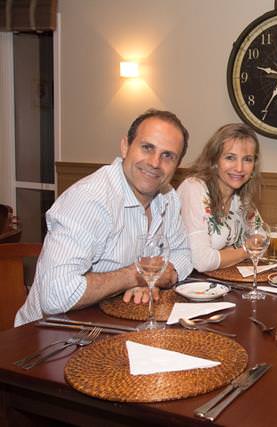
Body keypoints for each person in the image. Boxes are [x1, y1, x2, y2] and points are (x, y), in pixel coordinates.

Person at [15, 109, 193, 326]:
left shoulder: (168, 196)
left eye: (168, 156)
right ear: (125, 146)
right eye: (147, 147)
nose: (155, 163)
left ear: (177, 165)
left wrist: (158, 278)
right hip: (46, 334)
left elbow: (184, 254)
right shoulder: (89, 199)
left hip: (112, 322)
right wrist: (135, 276)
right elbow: (55, 295)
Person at [177, 123, 261, 272]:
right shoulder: (193, 188)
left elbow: (262, 238)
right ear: (214, 160)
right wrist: (245, 250)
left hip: (221, 279)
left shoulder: (241, 198)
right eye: (230, 157)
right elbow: (202, 262)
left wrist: (227, 253)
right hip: (186, 281)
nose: (239, 168)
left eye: (247, 159)